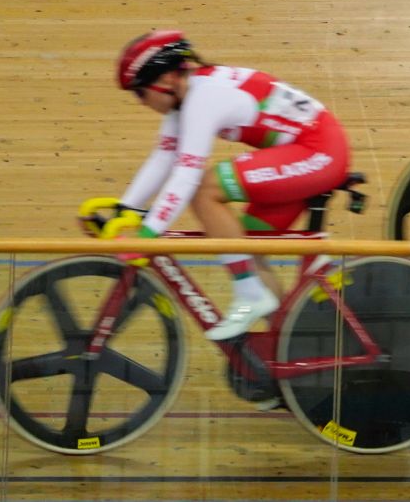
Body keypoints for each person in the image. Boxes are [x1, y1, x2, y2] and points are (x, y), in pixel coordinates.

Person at [106, 30, 351, 340]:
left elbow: (187, 174)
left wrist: (148, 233)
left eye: (140, 93)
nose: (141, 102)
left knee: (205, 191)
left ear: (166, 80)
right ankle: (283, 348)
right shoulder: (188, 94)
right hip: (309, 151)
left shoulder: (202, 97)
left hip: (319, 152)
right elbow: (163, 157)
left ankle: (249, 295)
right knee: (244, 246)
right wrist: (125, 210)